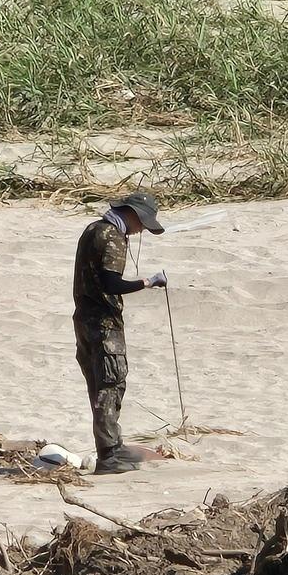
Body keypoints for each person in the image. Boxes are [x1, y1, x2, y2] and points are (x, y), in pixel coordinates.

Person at [72, 192, 169, 475]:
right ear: (132, 213)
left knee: (98, 384)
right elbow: (111, 283)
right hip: (103, 323)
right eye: (142, 224)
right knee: (110, 385)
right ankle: (110, 454)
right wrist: (147, 282)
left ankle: (110, 446)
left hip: (84, 319)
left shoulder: (92, 229)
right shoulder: (112, 235)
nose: (141, 230)